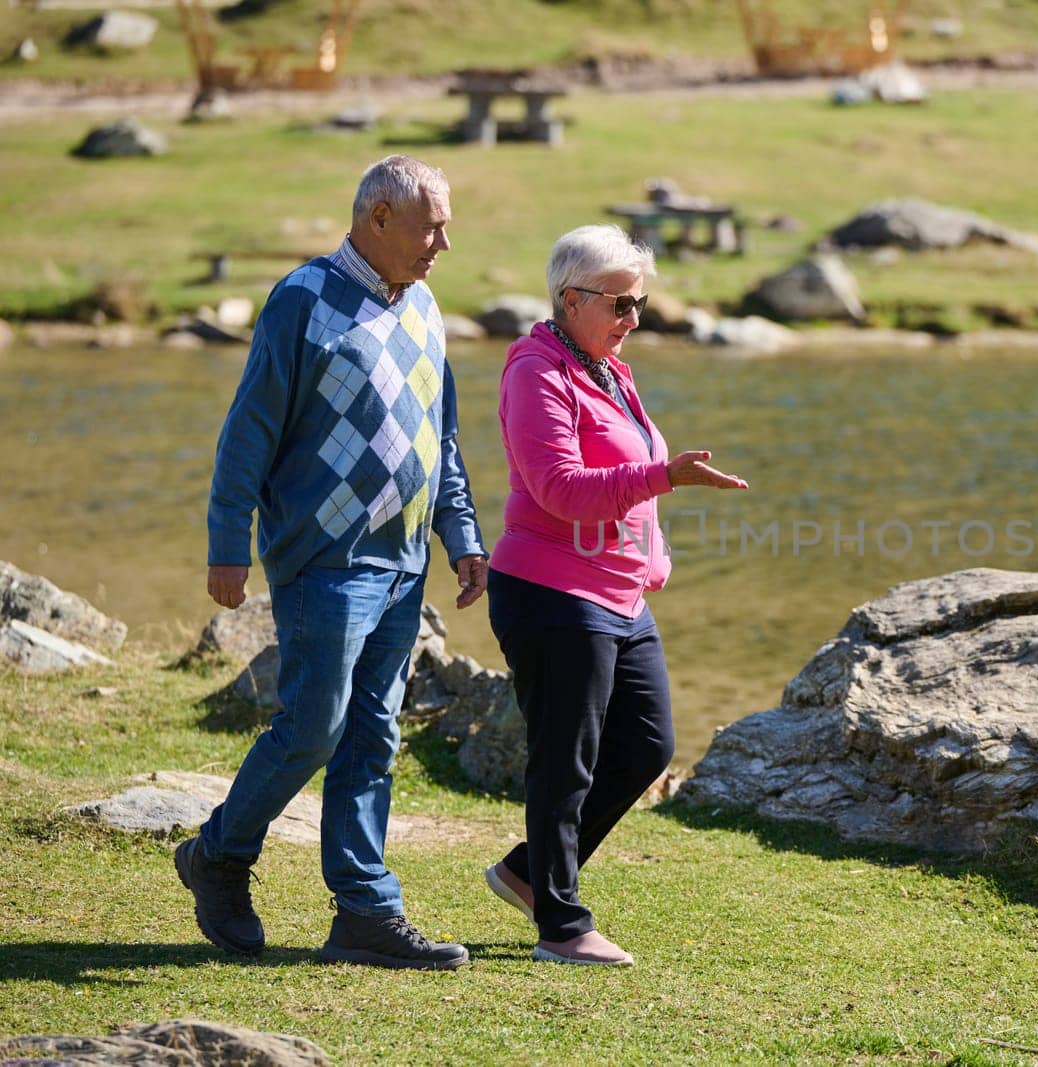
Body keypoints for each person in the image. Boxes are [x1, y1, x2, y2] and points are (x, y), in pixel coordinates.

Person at [177, 155, 487, 971]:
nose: (443, 244)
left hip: (403, 559)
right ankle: (219, 854)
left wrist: (464, 537)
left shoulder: (423, 305)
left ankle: (364, 909)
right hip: (325, 559)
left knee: (374, 733)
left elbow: (439, 435)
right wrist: (225, 541)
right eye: (431, 226)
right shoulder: (301, 300)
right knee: (314, 725)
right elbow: (248, 431)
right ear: (376, 218)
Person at [481, 224, 747, 966]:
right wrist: (667, 477)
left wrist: (650, 556)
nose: (634, 318)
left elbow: (628, 478)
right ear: (570, 299)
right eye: (621, 303)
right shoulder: (536, 371)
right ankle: (561, 926)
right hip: (550, 589)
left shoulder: (604, 367)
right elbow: (560, 489)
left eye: (641, 303)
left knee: (646, 745)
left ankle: (527, 872)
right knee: (565, 760)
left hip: (618, 595)